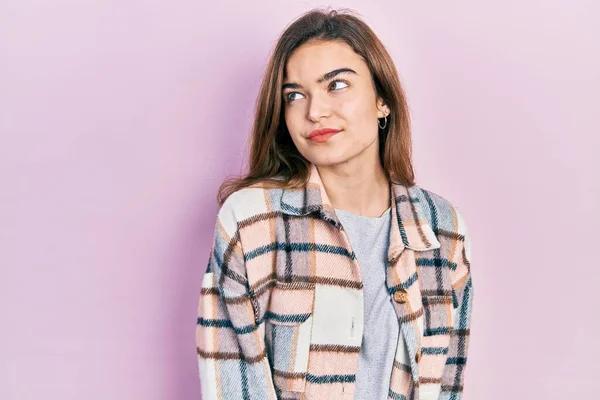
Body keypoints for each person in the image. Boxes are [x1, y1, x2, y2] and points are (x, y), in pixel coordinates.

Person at [195, 7, 473, 400]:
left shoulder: (441, 229)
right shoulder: (253, 221)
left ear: (383, 100)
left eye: (337, 85)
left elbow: (448, 384)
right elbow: (231, 381)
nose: (314, 111)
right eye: (294, 95)